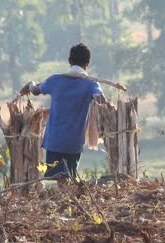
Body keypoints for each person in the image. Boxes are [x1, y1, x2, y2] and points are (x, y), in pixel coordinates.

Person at [20, 43, 107, 187]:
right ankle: (69, 199)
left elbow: (35, 90)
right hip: (74, 141)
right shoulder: (91, 83)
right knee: (71, 175)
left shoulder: (55, 80)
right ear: (88, 64)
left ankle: (67, 198)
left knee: (60, 177)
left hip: (55, 140)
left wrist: (30, 84)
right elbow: (101, 99)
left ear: (69, 61)